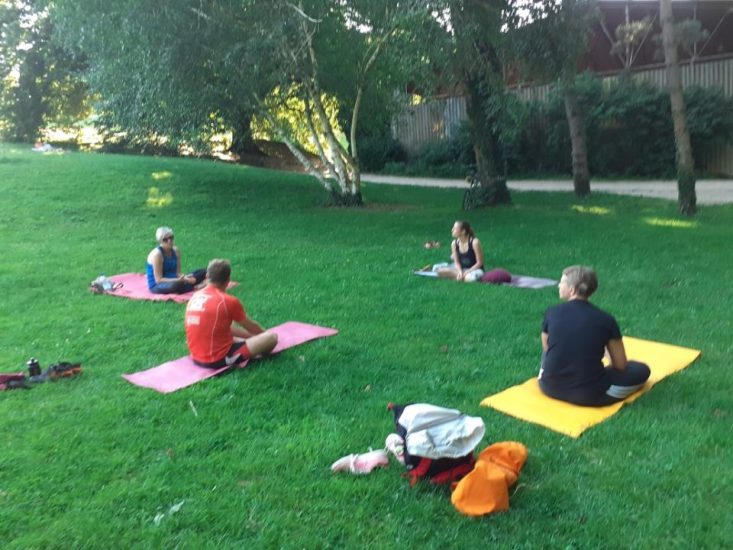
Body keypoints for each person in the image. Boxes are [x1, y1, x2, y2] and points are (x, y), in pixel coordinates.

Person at [539, 266, 650, 407]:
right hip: (589, 396)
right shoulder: (605, 319)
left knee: (553, 352)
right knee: (641, 369)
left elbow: (547, 348)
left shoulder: (552, 312)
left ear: (572, 290)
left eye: (562, 283)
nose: (559, 286)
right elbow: (620, 365)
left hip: (548, 386)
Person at [185, 259, 278, 368]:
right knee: (271, 338)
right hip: (216, 359)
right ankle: (250, 355)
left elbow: (223, 328)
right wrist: (264, 335)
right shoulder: (227, 301)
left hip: (196, 356)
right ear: (228, 280)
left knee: (239, 336)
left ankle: (251, 343)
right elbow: (251, 326)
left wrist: (252, 337)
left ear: (207, 276)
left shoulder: (195, 296)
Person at [146, 226, 206, 294]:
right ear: (160, 241)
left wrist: (185, 277)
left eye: (171, 238)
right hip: (159, 285)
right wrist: (181, 280)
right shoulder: (157, 255)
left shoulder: (176, 250)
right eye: (165, 239)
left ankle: (192, 284)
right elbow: (159, 280)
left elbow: (178, 273)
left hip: (175, 279)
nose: (169, 241)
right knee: (177, 285)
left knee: (204, 272)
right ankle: (195, 285)